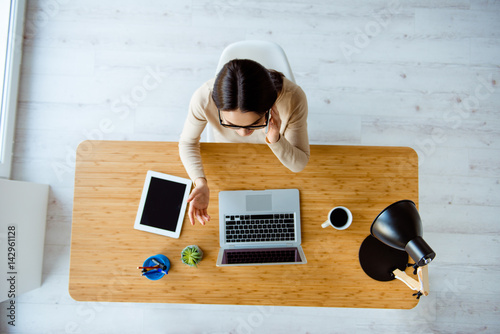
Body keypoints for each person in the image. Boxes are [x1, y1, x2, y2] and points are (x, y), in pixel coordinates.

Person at [179, 59, 309, 225]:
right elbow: (187, 142)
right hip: (230, 159)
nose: (243, 133)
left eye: (254, 123)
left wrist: (275, 137)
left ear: (271, 108)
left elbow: (299, 164)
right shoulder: (203, 98)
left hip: (274, 161)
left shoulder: (293, 98)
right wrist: (200, 182)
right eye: (232, 125)